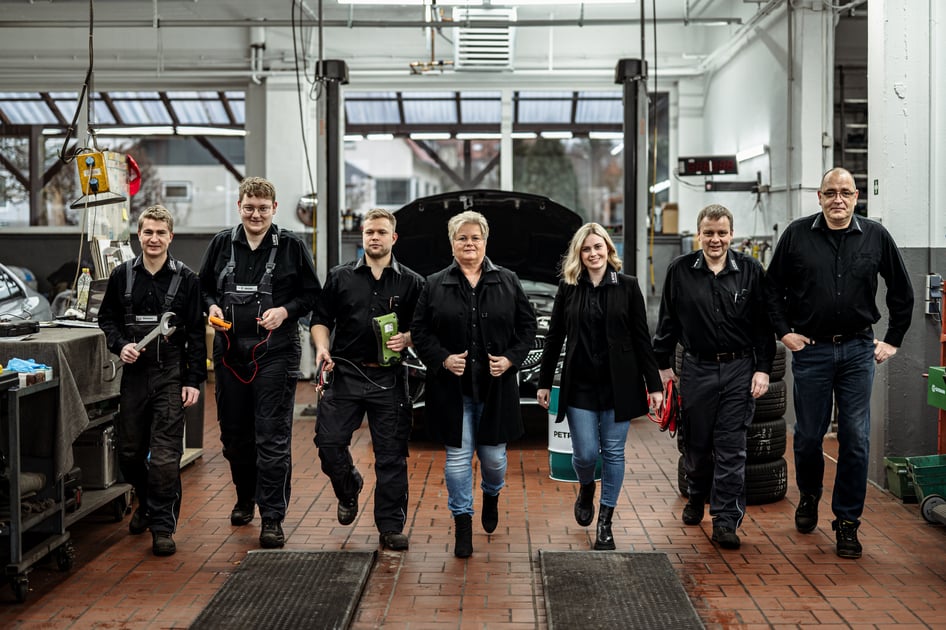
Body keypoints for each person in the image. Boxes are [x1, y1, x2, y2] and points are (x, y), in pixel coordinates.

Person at [766, 167, 914, 559]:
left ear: (856, 196)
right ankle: (809, 495)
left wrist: (894, 339)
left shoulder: (876, 236)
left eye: (845, 193)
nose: (838, 199)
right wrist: (784, 332)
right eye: (830, 192)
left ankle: (847, 522)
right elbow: (771, 289)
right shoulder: (797, 235)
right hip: (811, 351)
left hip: (857, 351)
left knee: (856, 438)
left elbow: (902, 291)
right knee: (808, 437)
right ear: (819, 196)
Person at [199, 176, 321, 549]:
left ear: (274, 209)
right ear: (239, 206)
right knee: (234, 436)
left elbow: (312, 295)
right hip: (229, 351)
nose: (256, 215)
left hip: (276, 353)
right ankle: (244, 496)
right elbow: (202, 289)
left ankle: (272, 517)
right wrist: (211, 307)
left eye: (263, 209)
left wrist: (285, 311)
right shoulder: (221, 244)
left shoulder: (292, 246)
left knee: (271, 436)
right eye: (249, 208)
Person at [411, 210, 537, 558]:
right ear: (452, 243)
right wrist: (442, 358)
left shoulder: (508, 280)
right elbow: (420, 331)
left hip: (496, 388)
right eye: (462, 237)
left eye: (475, 237)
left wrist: (510, 358)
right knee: (457, 460)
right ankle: (463, 524)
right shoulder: (434, 283)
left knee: (494, 460)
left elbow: (528, 327)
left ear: (485, 241)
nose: (469, 243)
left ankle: (491, 494)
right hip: (452, 390)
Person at [653, 204, 775, 551]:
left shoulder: (750, 271)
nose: (715, 239)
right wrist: (662, 366)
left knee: (732, 447)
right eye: (709, 233)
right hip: (697, 368)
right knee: (696, 444)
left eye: (722, 233)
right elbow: (667, 321)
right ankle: (696, 493)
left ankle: (725, 520)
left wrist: (763, 368)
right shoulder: (680, 270)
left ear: (732, 234)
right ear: (699, 234)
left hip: (739, 368)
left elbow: (763, 326)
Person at [536, 222, 663, 551]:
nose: (593, 253)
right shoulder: (568, 287)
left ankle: (605, 522)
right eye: (586, 249)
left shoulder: (628, 286)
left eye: (598, 247)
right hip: (579, 385)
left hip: (619, 385)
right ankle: (586, 487)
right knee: (586, 454)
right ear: (579, 254)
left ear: (608, 249)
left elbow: (642, 339)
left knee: (614, 454)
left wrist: (655, 386)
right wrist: (544, 382)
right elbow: (554, 337)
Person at [310, 208, 424, 552]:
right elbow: (320, 320)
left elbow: (424, 328)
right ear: (362, 236)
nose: (374, 237)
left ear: (393, 238)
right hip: (344, 372)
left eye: (381, 232)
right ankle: (349, 487)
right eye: (369, 232)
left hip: (389, 379)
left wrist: (407, 338)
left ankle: (390, 527)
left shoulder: (412, 282)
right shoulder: (340, 276)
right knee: (329, 444)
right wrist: (322, 348)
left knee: (391, 456)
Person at [98, 205, 206, 557]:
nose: (154, 239)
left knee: (164, 458)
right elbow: (107, 320)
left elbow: (196, 333)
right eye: (148, 232)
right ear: (138, 235)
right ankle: (146, 503)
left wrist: (193, 380)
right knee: (129, 454)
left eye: (161, 233)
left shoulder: (187, 279)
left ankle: (162, 527)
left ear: (170, 237)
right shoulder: (122, 276)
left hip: (170, 374)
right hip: (134, 376)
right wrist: (120, 345)